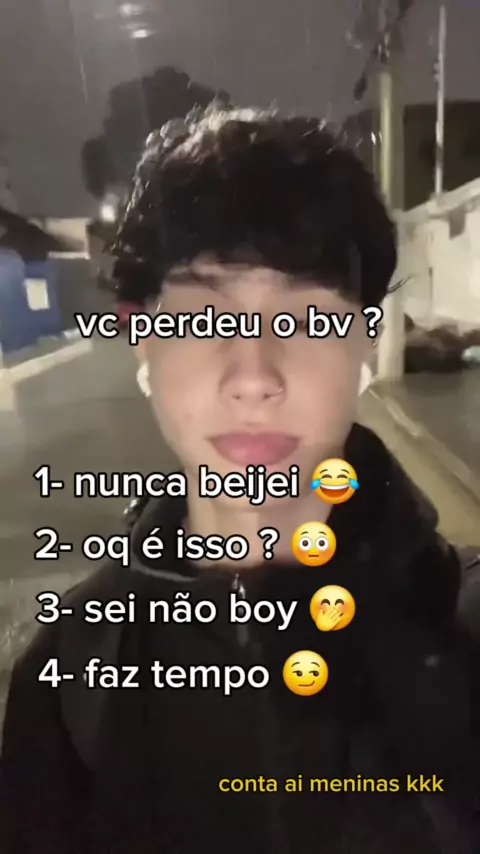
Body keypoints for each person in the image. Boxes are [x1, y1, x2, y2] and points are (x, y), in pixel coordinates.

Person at [2, 107, 479, 854]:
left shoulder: (465, 634)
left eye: (309, 316)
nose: (253, 375)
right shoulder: (69, 679)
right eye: (202, 318)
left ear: (367, 339)